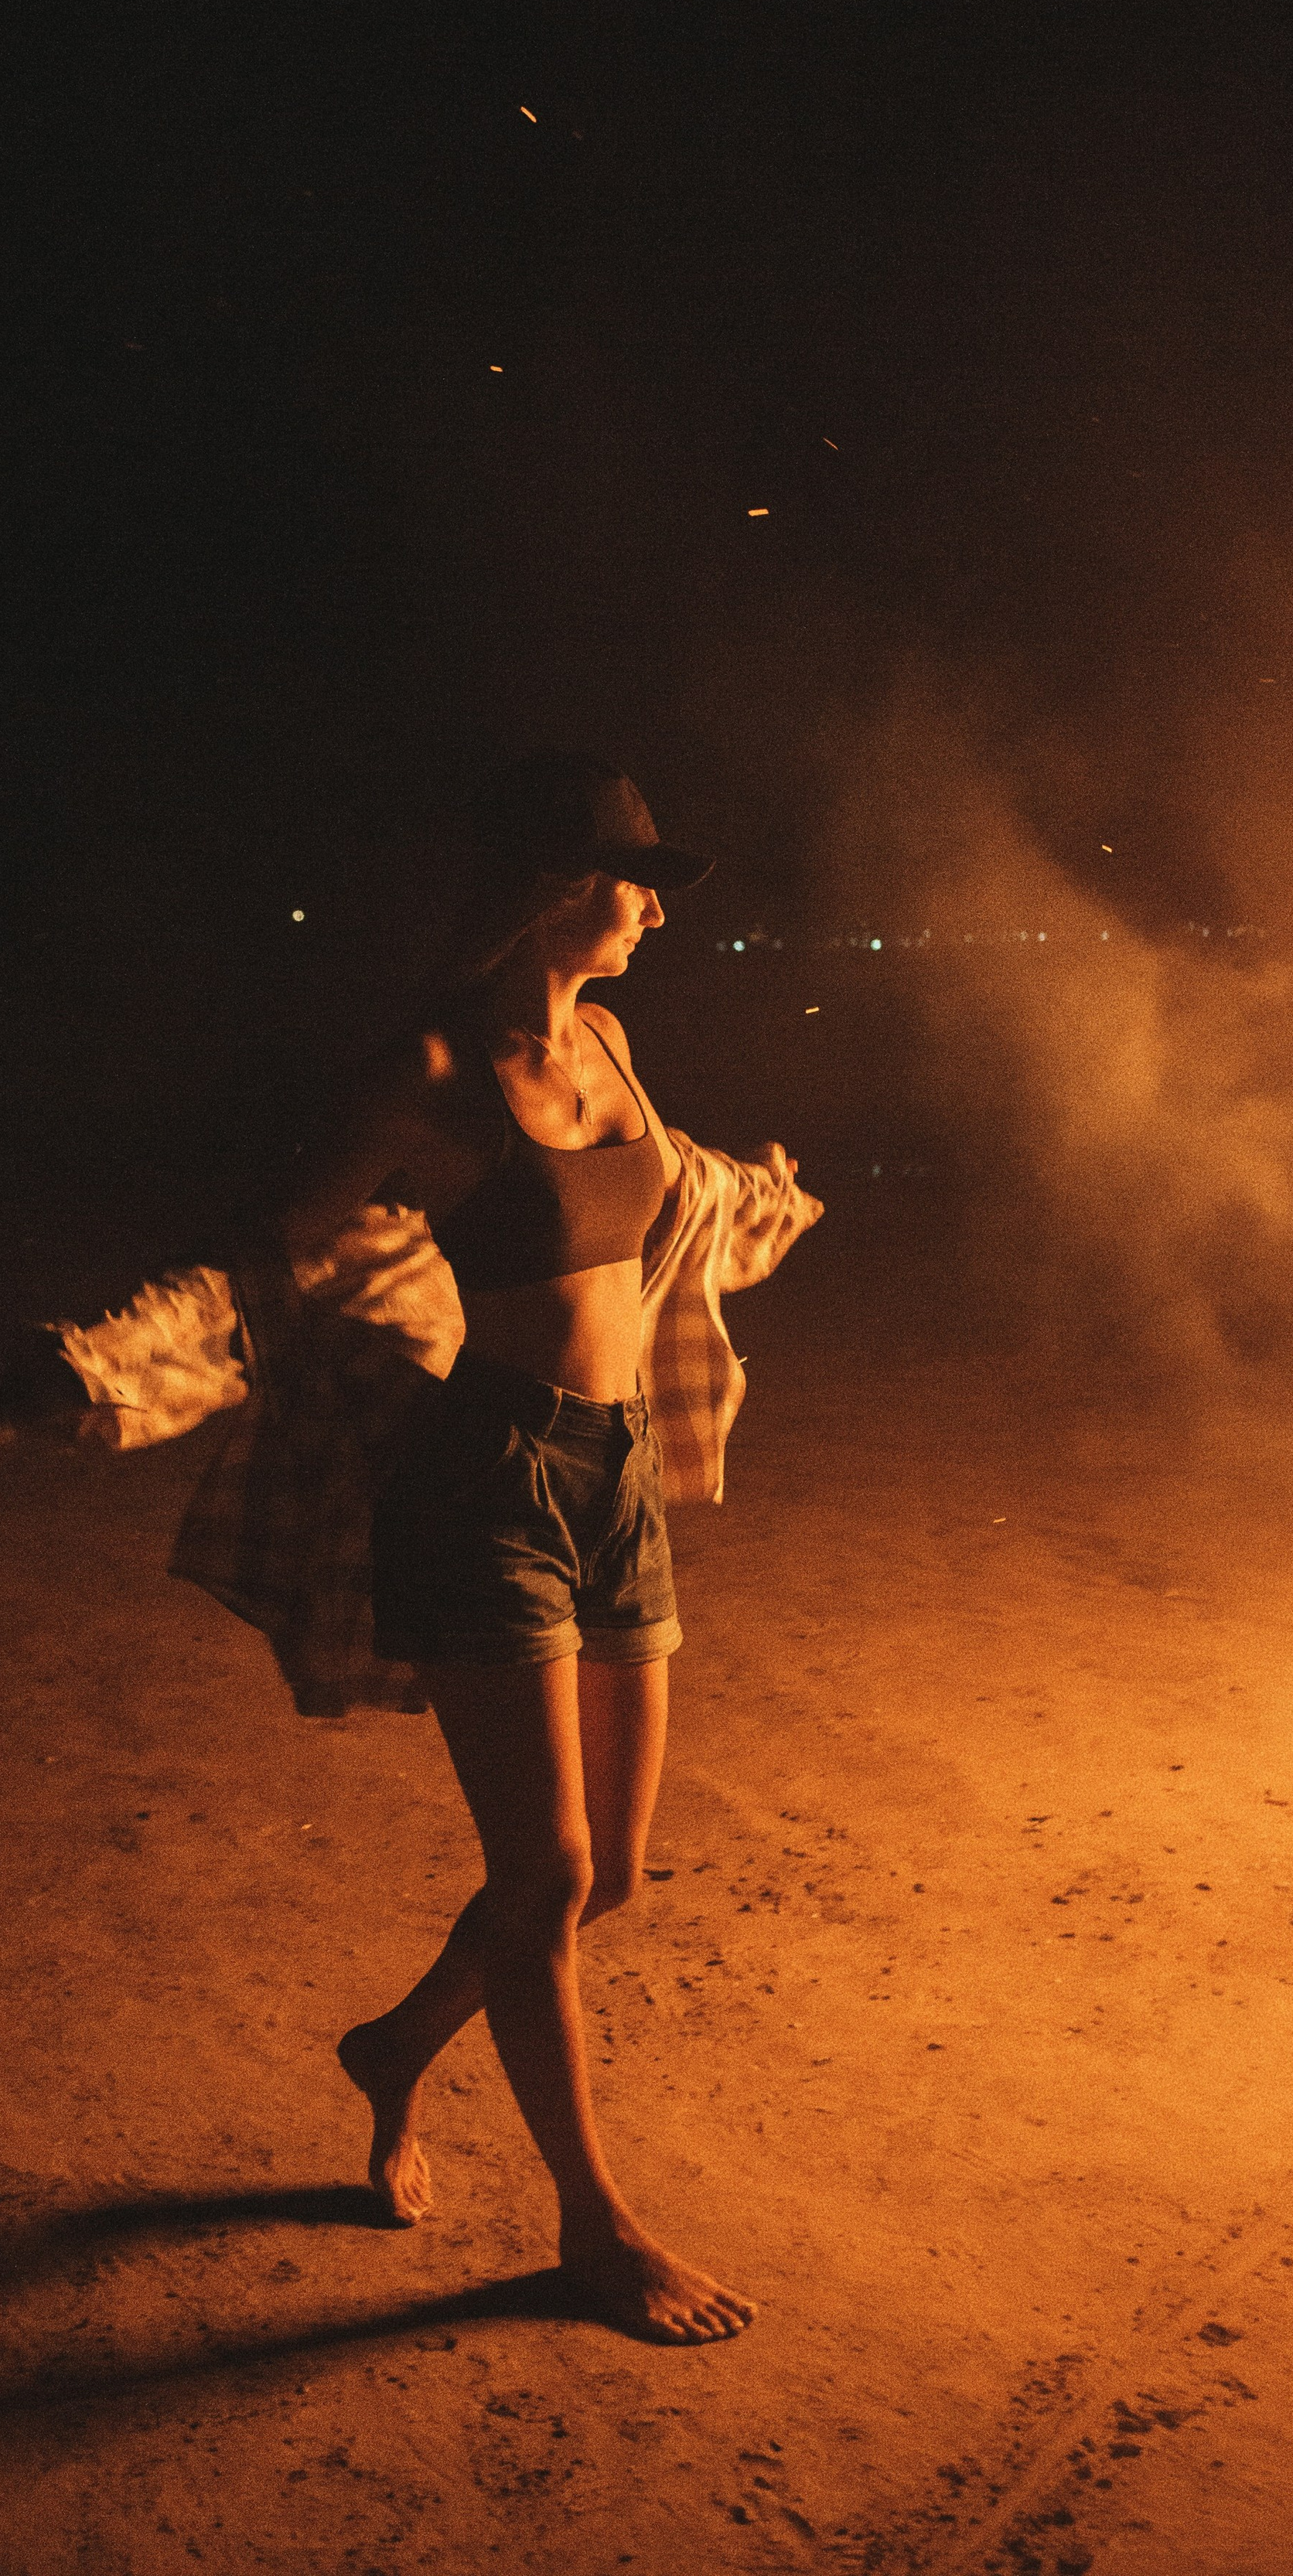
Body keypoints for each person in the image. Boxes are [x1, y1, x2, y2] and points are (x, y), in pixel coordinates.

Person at [282, 751, 820, 2346]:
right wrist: (98, 1367)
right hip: (480, 1482)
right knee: (551, 1871)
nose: (656, 906)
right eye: (633, 876)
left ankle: (392, 2047)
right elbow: (271, 1249)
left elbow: (646, 1209)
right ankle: (595, 2227)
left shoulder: (612, 1043)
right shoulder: (432, 1067)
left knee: (613, 1877)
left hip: (616, 1473)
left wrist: (745, 1203)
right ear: (547, 884)